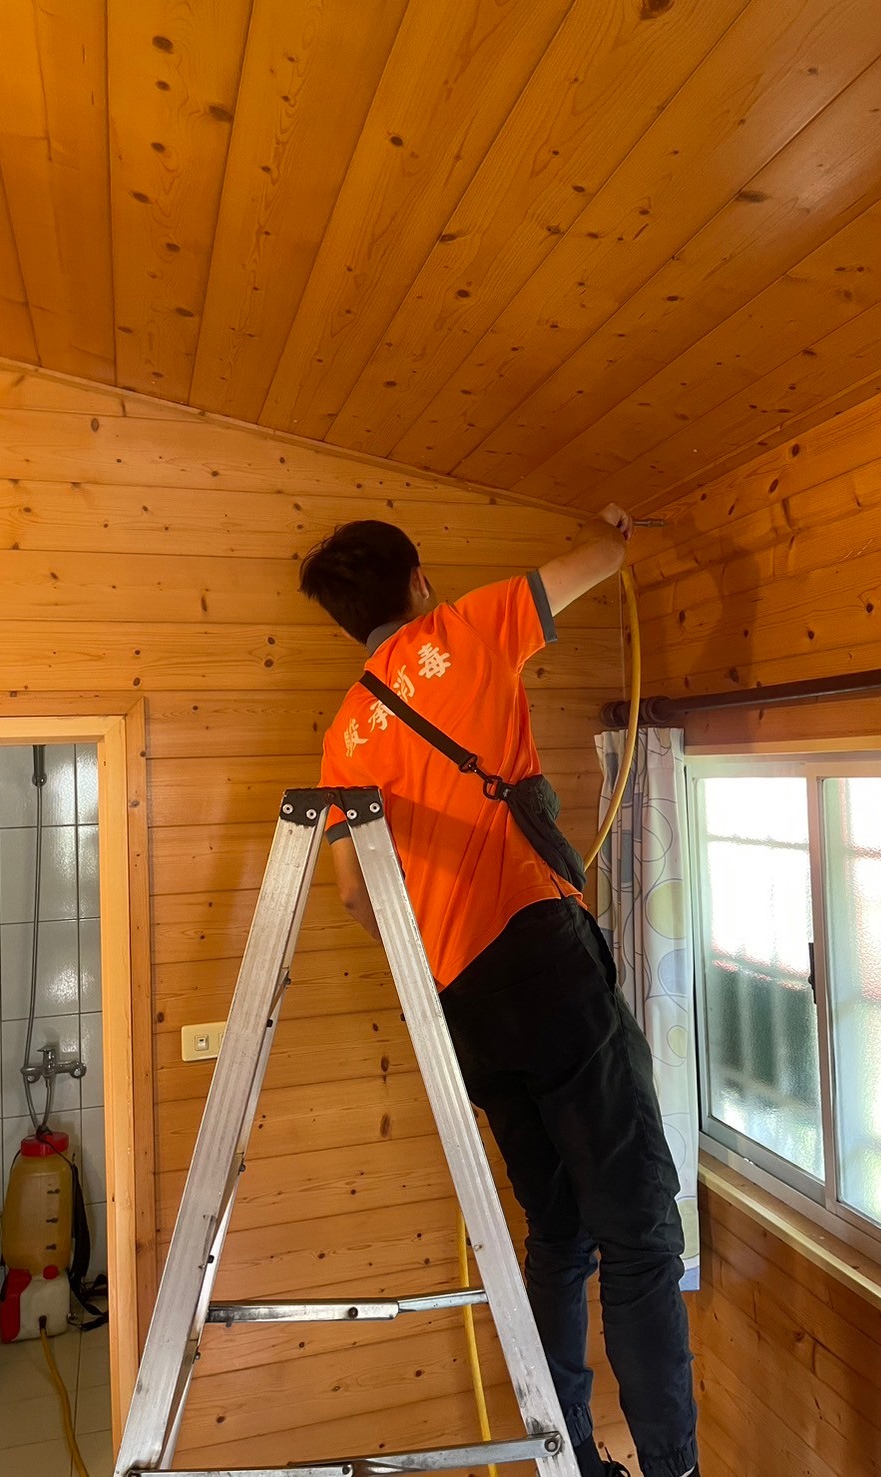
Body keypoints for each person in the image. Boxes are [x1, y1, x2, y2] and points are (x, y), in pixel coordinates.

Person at [300, 508, 699, 1477]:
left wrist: (442, 941)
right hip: (543, 954)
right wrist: (617, 532)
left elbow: (354, 893)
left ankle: (573, 1460)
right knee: (640, 1233)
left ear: (348, 617)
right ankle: (672, 1468)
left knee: (557, 1234)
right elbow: (592, 562)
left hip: (463, 1003)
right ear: (419, 582)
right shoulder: (464, 630)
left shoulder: (347, 730)